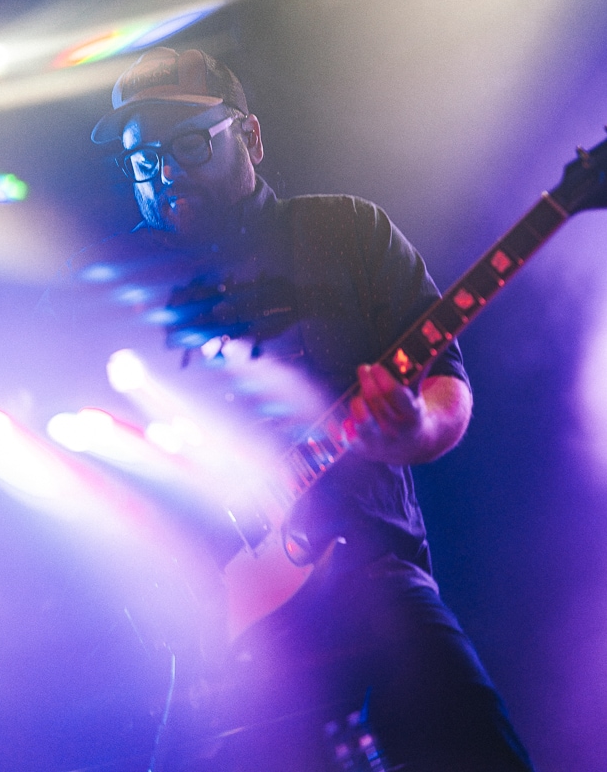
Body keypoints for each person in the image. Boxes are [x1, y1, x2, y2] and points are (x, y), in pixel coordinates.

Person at [59, 45, 535, 771]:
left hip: (369, 578)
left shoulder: (344, 232)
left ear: (248, 137)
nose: (165, 173)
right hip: (216, 627)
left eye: (187, 144)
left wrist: (413, 430)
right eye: (144, 159)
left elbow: (445, 382)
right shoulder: (117, 286)